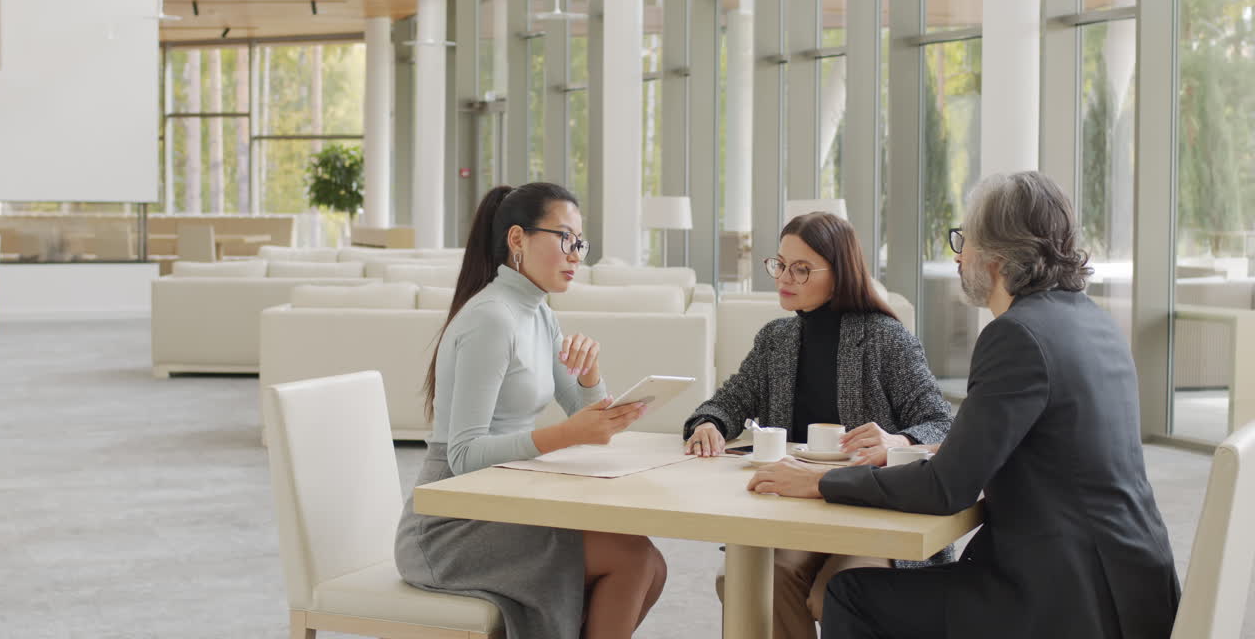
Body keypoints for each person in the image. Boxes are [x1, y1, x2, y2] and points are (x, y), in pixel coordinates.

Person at [749, 172, 1181, 639]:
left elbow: (945, 491)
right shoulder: (1093, 322)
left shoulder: (1016, 336)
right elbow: (1044, 449)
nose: (959, 256)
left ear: (997, 254)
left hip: (1065, 599)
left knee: (852, 595)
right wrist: (931, 449)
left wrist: (821, 480)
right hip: (1132, 583)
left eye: (964, 240)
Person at [395, 183, 667, 639]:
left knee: (650, 564)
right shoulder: (491, 319)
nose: (576, 254)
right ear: (517, 239)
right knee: (633, 559)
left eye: (579, 241)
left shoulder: (539, 314)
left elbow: (587, 413)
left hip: (501, 501)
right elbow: (463, 455)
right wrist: (567, 434)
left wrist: (589, 373)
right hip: (449, 524)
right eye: (564, 238)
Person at [684, 211, 953, 639]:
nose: (784, 277)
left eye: (802, 269)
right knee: (754, 580)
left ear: (840, 272)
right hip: (798, 505)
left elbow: (941, 423)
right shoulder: (777, 339)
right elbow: (730, 399)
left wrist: (898, 438)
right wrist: (709, 422)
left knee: (834, 592)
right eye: (780, 264)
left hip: (873, 508)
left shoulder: (887, 337)